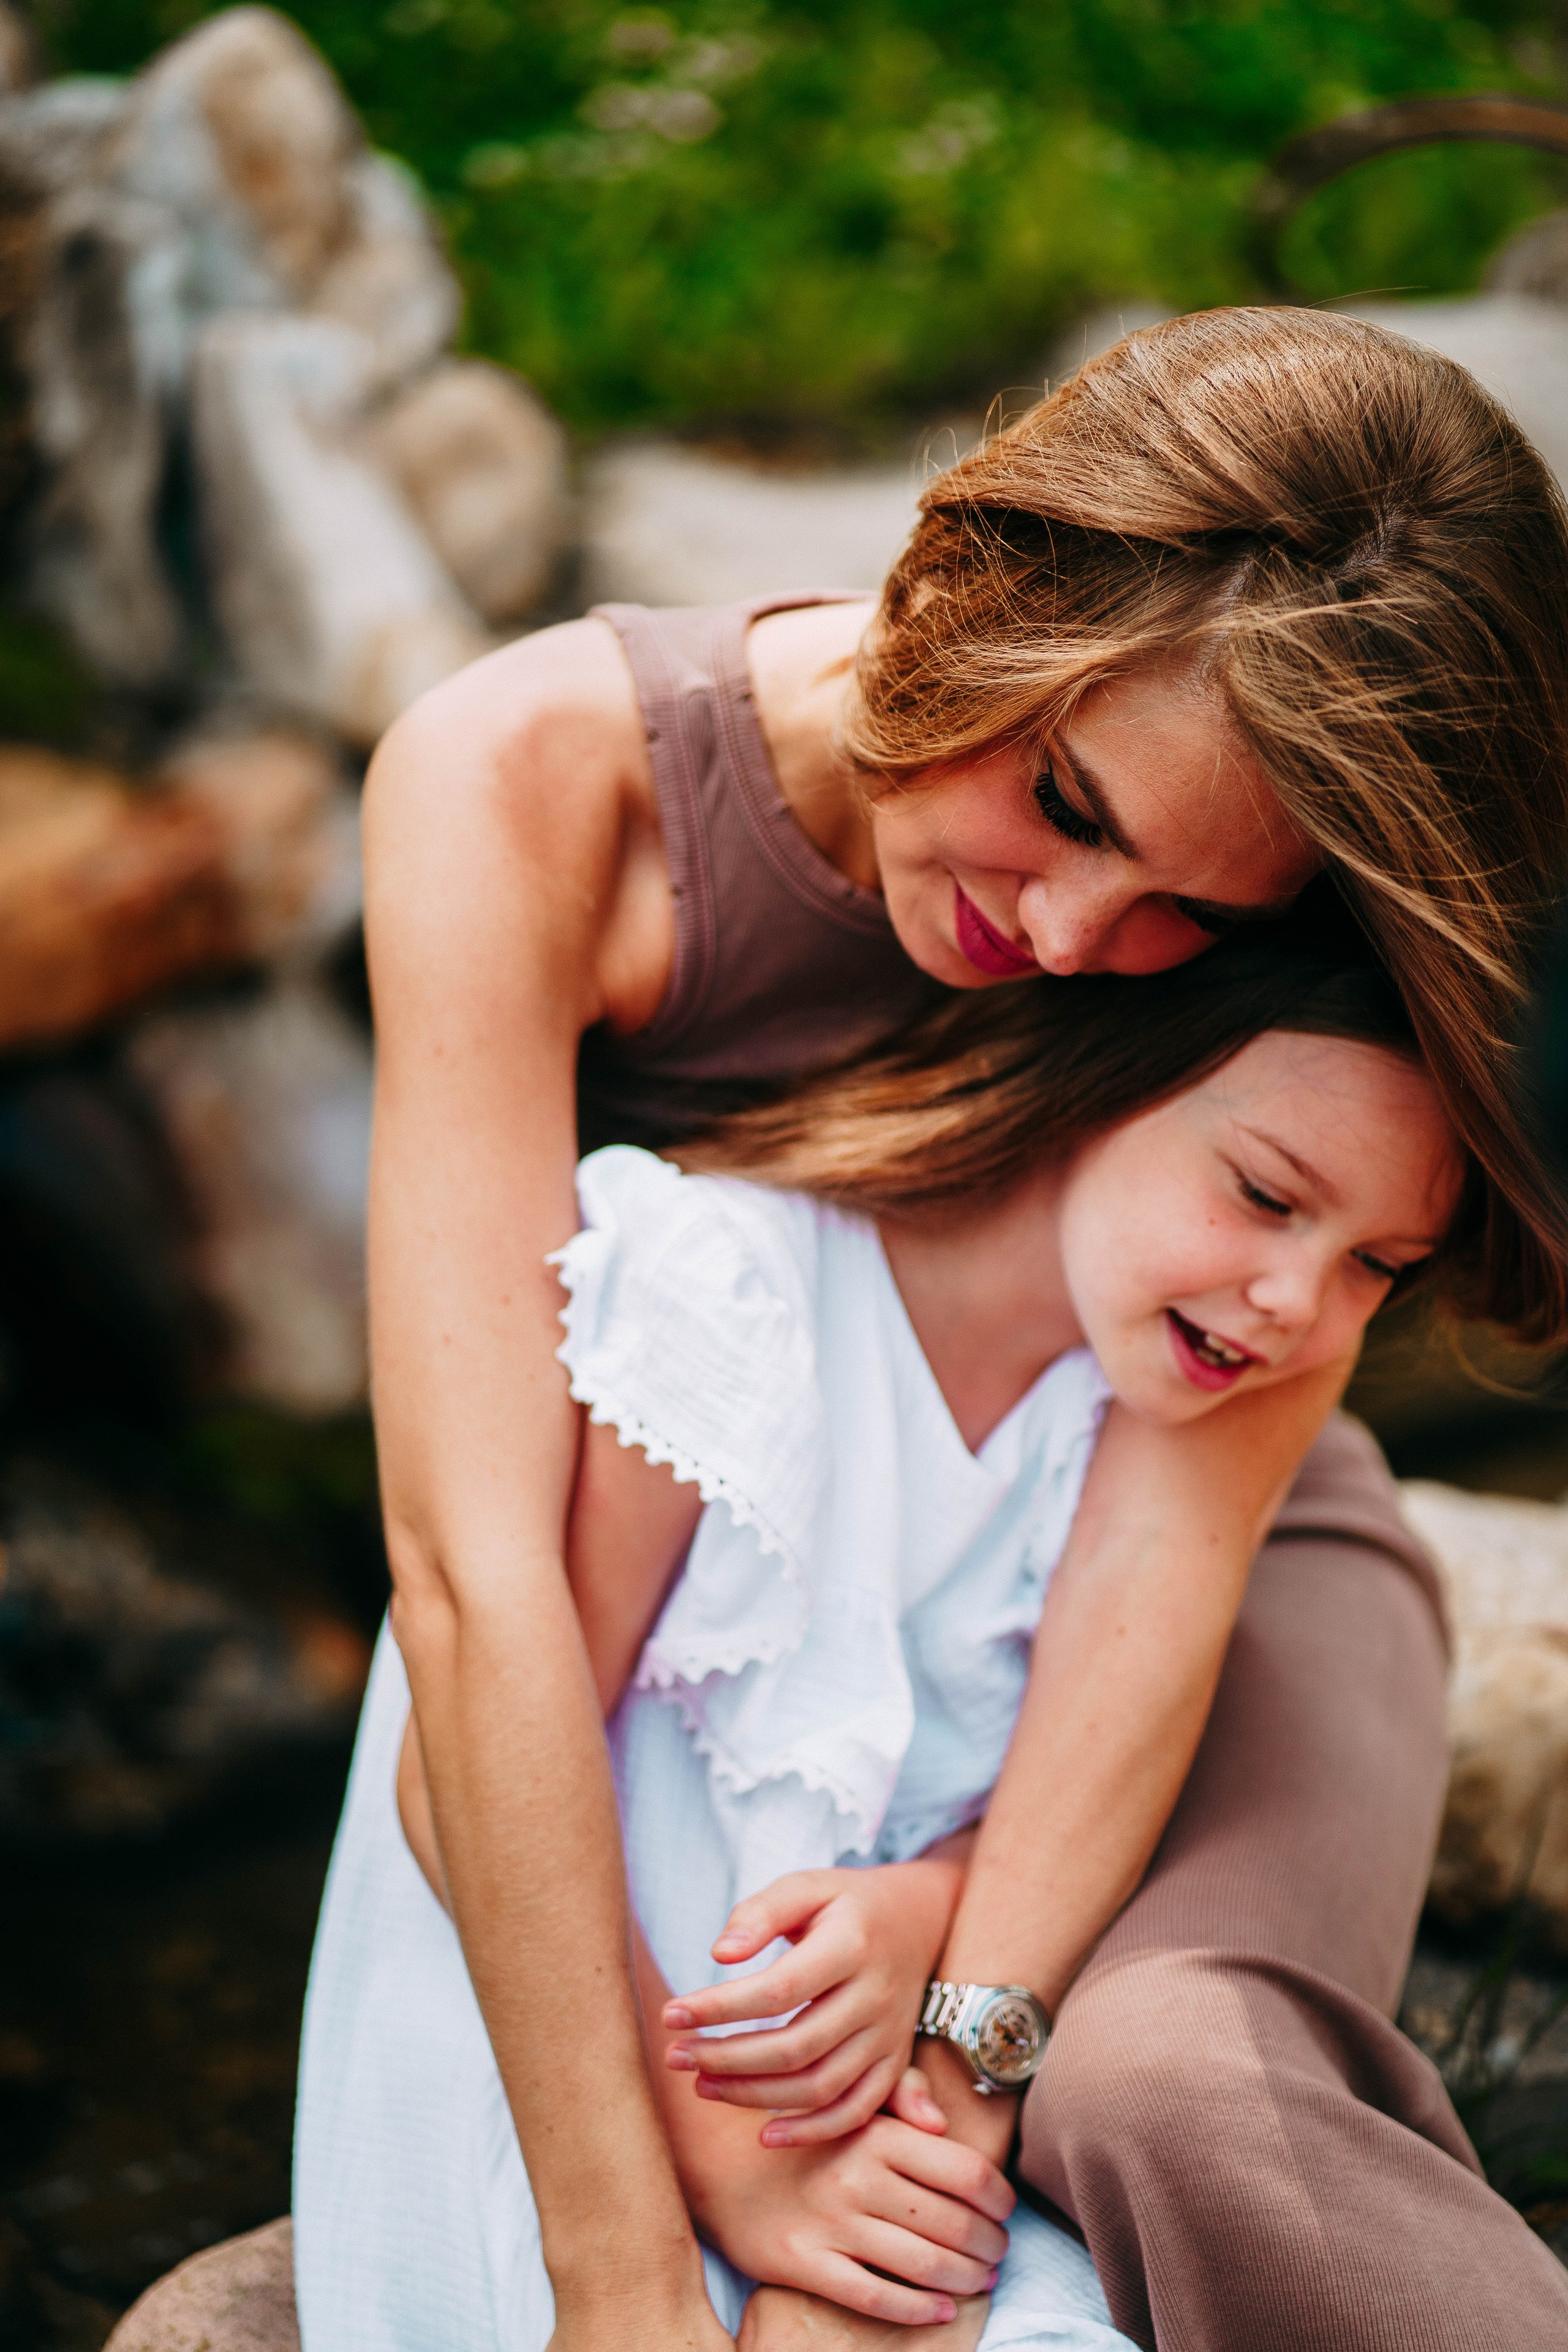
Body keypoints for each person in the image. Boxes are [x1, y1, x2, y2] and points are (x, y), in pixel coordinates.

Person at [104, 304, 1568, 2352]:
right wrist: (641, 2250)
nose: (1069, 942)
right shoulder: (530, 786)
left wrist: (947, 2040)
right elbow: (476, 1585)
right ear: (973, 580)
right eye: (1068, 802)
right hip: (753, 1642)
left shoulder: (1293, 855)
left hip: (1171, 1584)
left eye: (1192, 922)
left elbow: (1170, 1536)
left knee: (1167, 2092)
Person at [293, 929, 1567, 2352]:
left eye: (1374, 1266)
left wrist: (924, 1906)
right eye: (1264, 1195)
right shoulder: (732, 1284)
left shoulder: (1143, 1417)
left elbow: (1044, 1801)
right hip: (584, 2073)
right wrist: (719, 2168)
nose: (1297, 1303)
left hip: (852, 2097)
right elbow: (454, 1773)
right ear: (1102, 1076)